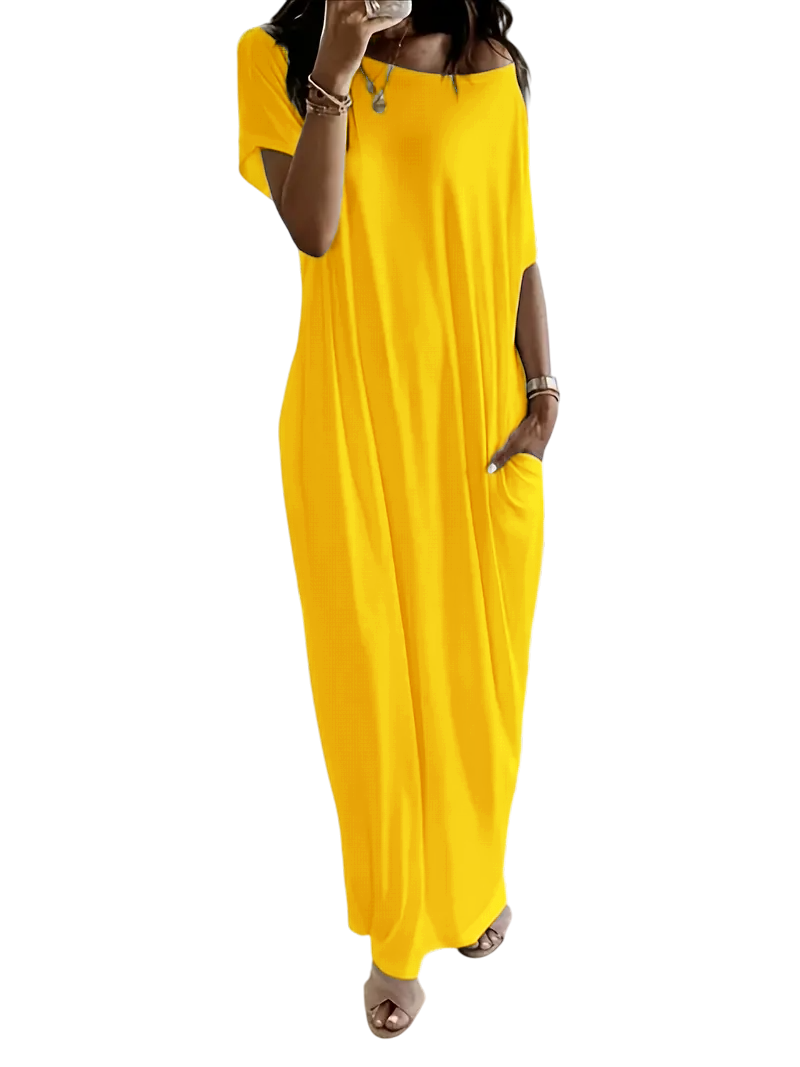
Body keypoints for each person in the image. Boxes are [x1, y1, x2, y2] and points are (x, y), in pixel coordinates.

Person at [236, 0, 560, 1039]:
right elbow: (314, 228)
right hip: (353, 415)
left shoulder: (485, 63)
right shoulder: (270, 59)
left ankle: (471, 886)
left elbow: (515, 238)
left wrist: (544, 388)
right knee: (373, 688)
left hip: (476, 425)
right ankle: (394, 941)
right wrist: (333, 66)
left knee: (474, 688)